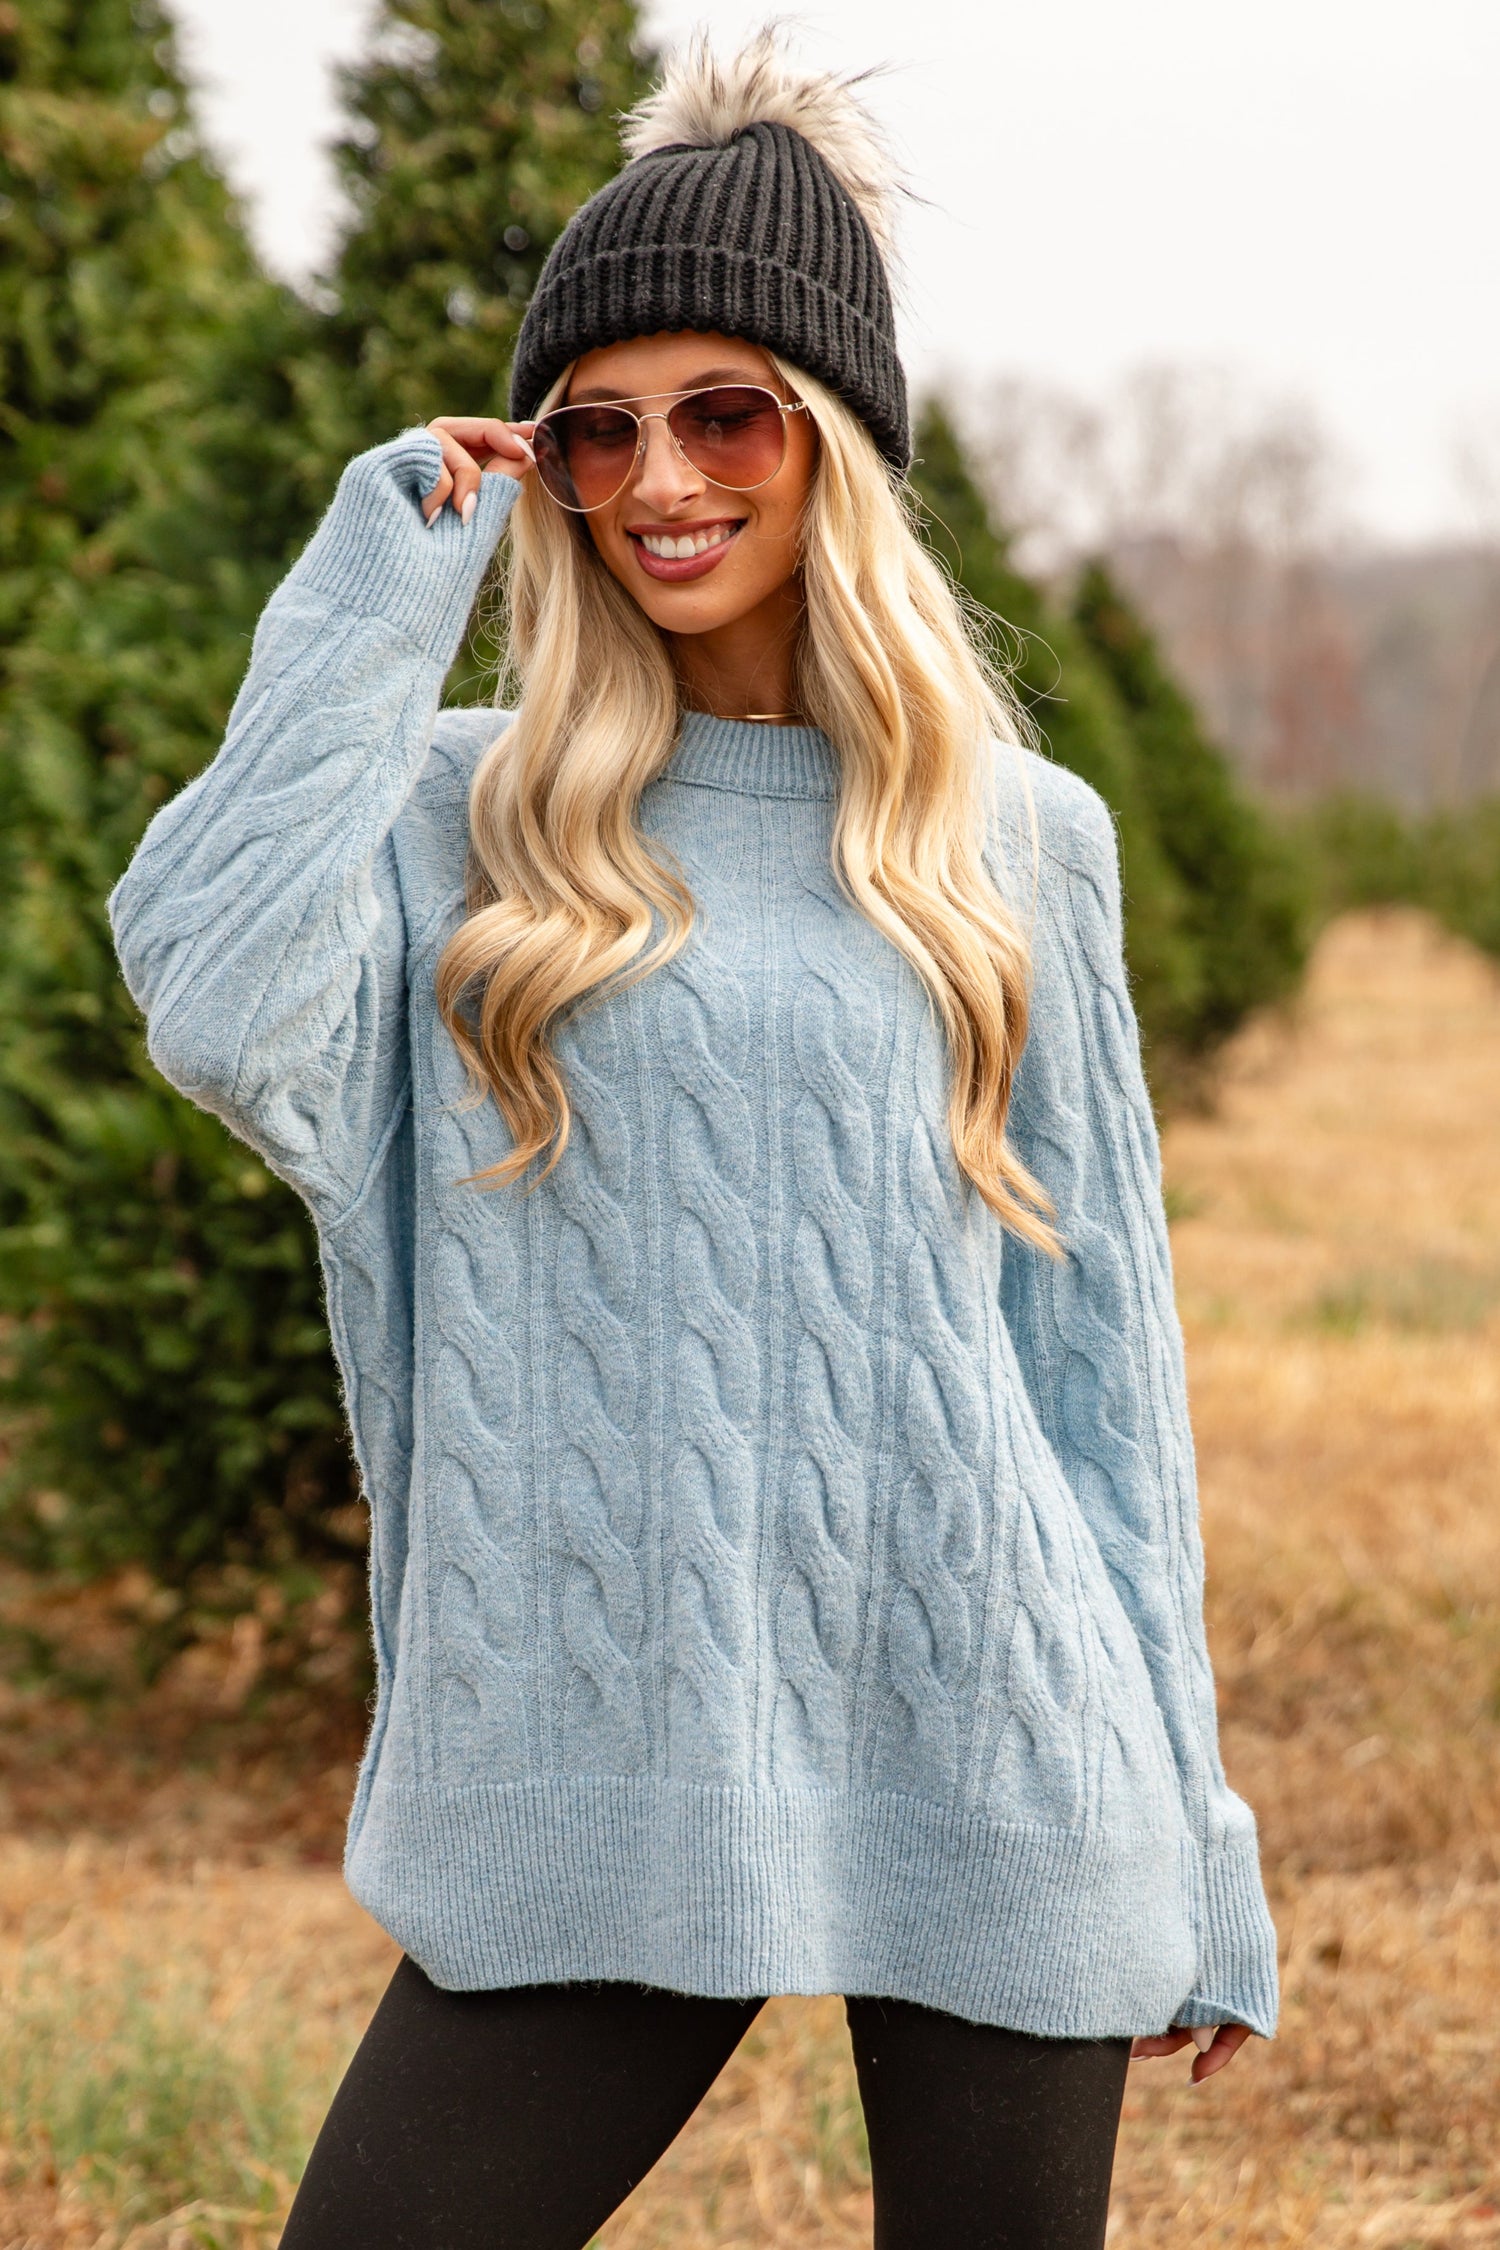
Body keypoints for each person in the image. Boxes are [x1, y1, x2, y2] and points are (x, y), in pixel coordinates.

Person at [109, 32, 1278, 2250]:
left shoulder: (1022, 842)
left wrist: (1200, 1832)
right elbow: (207, 994)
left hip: (1004, 1735)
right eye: (599, 427)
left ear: (834, 440)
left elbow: (1099, 1370)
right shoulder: (456, 814)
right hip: (591, 1762)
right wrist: (373, 598)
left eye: (726, 412)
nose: (661, 476)